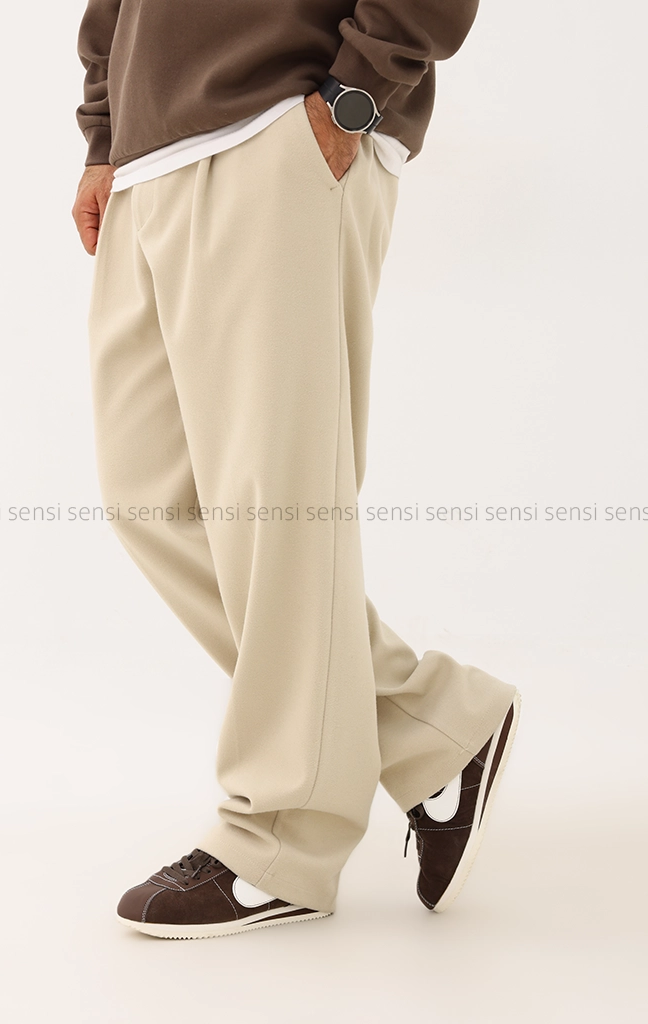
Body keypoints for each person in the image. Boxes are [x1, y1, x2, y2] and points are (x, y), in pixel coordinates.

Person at [71, 0, 521, 941]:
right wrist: (105, 135)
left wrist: (355, 96)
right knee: (151, 499)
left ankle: (282, 838)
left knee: (275, 506)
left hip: (280, 124)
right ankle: (433, 725)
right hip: (149, 159)